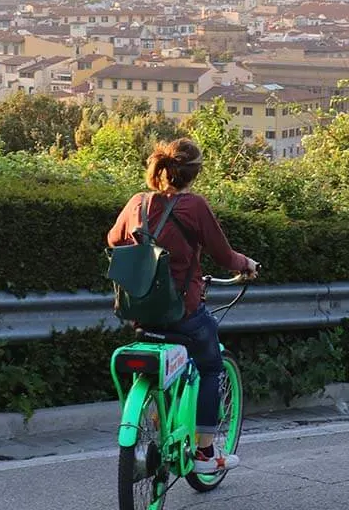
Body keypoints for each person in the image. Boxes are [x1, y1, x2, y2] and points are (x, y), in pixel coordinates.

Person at [107, 138, 259, 474]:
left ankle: (156, 425)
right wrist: (246, 264)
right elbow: (224, 256)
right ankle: (204, 453)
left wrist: (146, 243)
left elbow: (113, 240)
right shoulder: (195, 206)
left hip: (140, 312)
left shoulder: (138, 203)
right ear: (194, 173)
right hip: (183, 312)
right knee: (211, 366)